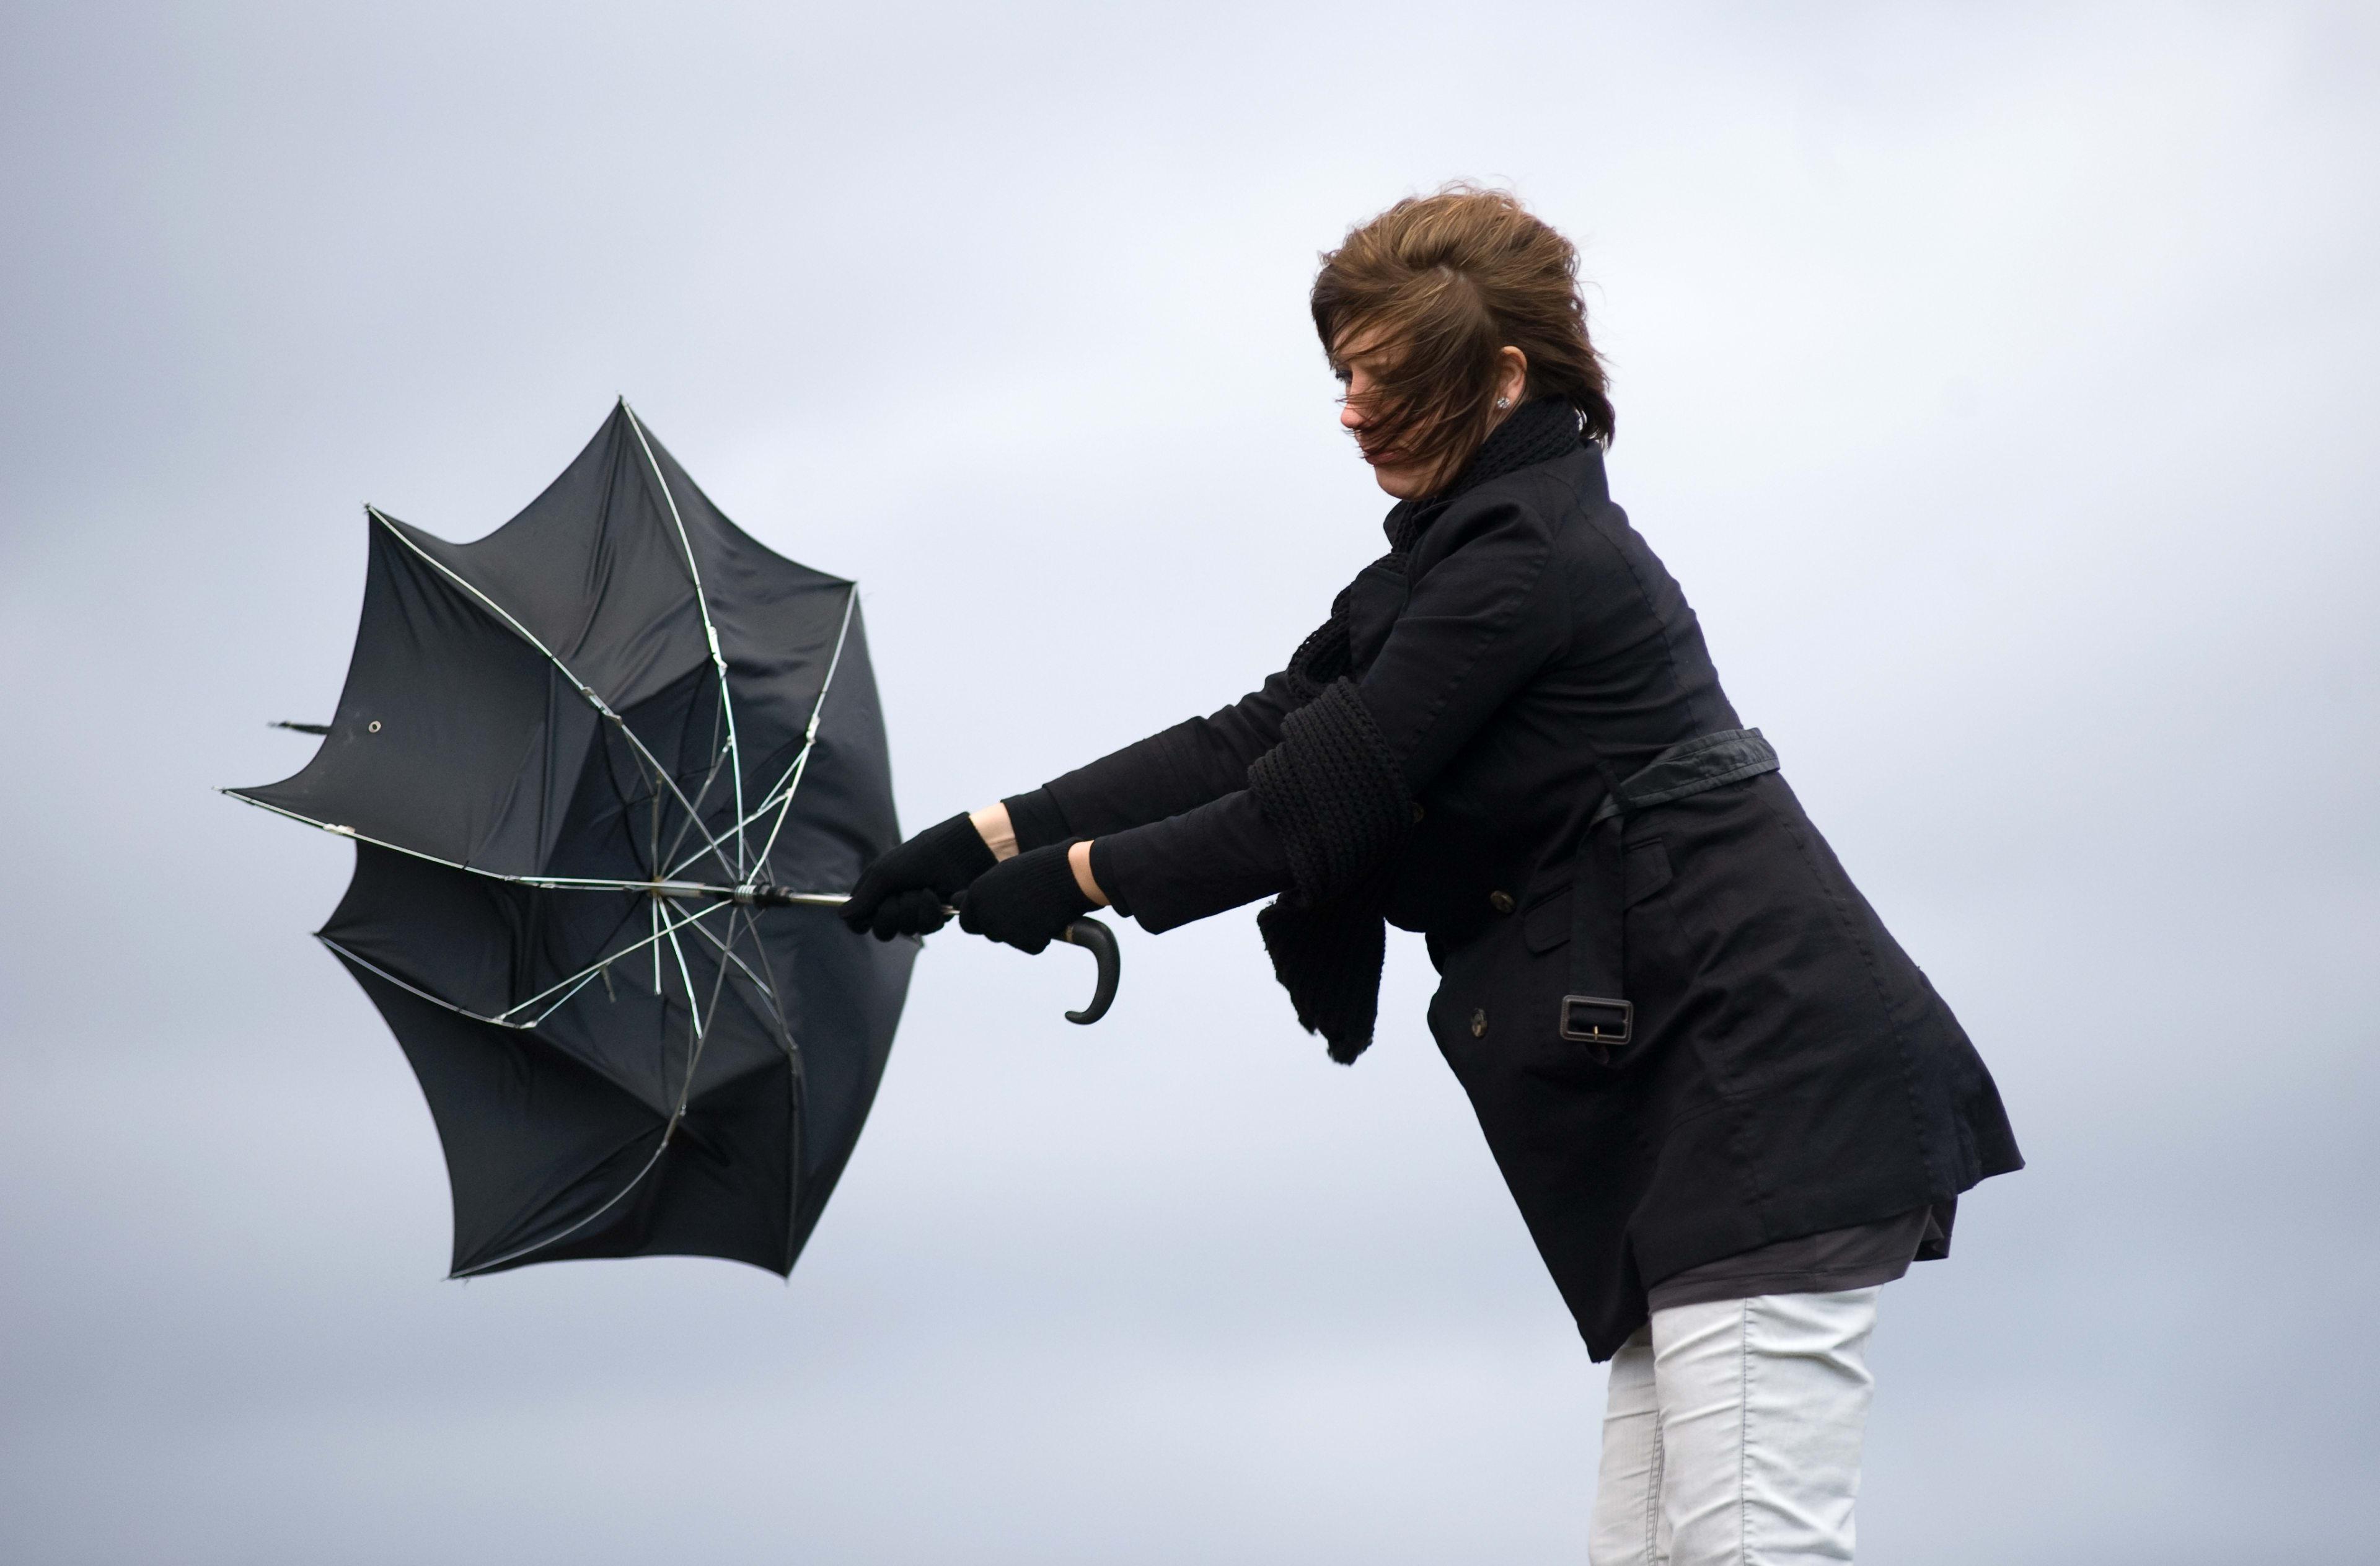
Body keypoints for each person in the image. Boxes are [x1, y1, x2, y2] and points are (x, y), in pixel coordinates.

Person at [840, 185, 2021, 1565]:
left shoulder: (1530, 562)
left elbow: (1308, 805)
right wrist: (991, 836)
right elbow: (1266, 732)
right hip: (1691, 1116)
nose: (1349, 409)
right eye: (1341, 376)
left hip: (1764, 1093)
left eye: (1383, 377)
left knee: (1753, 1550)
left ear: (1504, 377)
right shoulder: (1462, 559)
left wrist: (1078, 880)